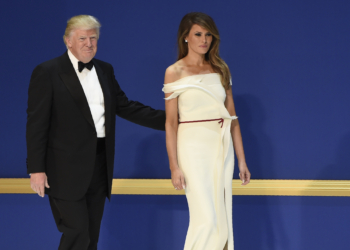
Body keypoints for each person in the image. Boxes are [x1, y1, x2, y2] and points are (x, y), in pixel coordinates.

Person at [26, 15, 165, 250]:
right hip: (63, 169)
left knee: (91, 234)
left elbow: (125, 106)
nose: (89, 43)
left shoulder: (104, 70)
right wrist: (36, 169)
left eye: (93, 38)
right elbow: (36, 124)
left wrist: (172, 121)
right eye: (82, 38)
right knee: (76, 233)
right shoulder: (47, 72)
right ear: (68, 41)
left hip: (99, 165)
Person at [163, 12, 251, 250]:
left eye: (208, 34)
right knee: (206, 219)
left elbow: (232, 119)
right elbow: (170, 123)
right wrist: (174, 166)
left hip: (221, 147)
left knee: (221, 220)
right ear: (185, 38)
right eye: (198, 34)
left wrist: (242, 161)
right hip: (192, 148)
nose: (204, 40)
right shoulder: (174, 72)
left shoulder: (221, 69)